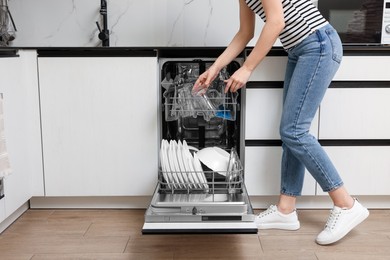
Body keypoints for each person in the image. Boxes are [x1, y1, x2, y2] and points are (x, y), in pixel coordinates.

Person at [192, 0, 369, 245]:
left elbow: (276, 22)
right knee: (291, 133)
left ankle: (346, 204)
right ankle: (286, 210)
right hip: (300, 49)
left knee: (294, 131)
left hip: (318, 43)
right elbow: (245, 33)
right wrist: (214, 69)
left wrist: (247, 68)